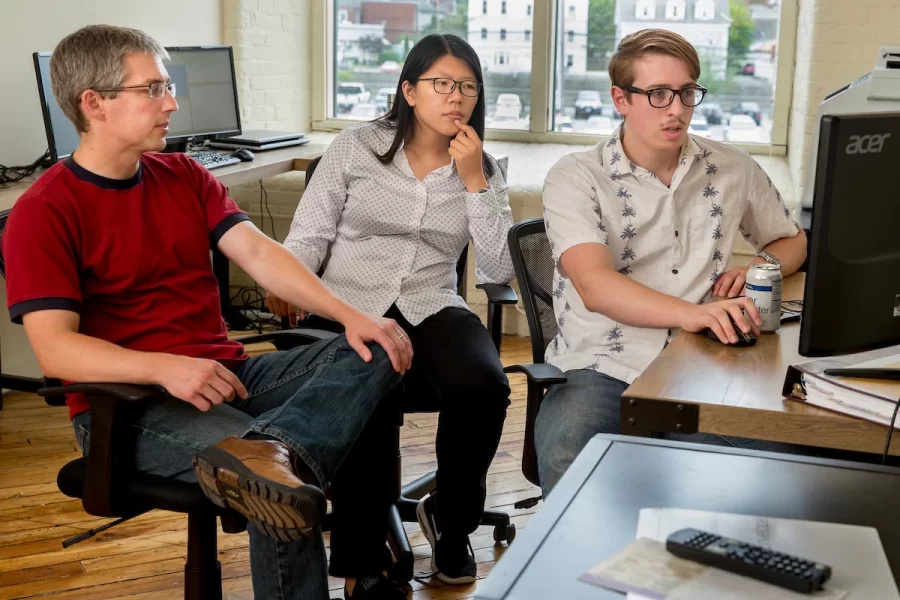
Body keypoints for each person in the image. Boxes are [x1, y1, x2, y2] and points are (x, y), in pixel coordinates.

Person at [3, 25, 415, 600]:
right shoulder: (43, 211)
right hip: (127, 406)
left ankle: (267, 450)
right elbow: (54, 349)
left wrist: (352, 315)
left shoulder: (187, 176)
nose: (171, 103)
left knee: (376, 347)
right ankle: (270, 460)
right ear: (93, 103)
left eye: (167, 85)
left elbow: (260, 254)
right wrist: (163, 366)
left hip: (226, 374)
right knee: (278, 486)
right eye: (151, 89)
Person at [267, 33, 514, 590]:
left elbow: (497, 269)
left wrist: (476, 182)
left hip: (430, 304)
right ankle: (362, 564)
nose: (456, 98)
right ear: (409, 90)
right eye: (442, 84)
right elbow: (308, 237)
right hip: (345, 306)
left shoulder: (485, 167)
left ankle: (453, 533)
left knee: (484, 384)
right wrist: (286, 283)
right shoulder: (356, 149)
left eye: (468, 87)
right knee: (369, 376)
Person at [536, 29, 808, 496]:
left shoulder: (733, 167)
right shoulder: (575, 176)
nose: (677, 109)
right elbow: (595, 286)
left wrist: (760, 264)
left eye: (686, 92)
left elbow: (792, 240)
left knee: (784, 461)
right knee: (568, 452)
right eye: (658, 94)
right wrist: (695, 313)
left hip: (703, 359)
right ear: (620, 99)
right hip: (603, 362)